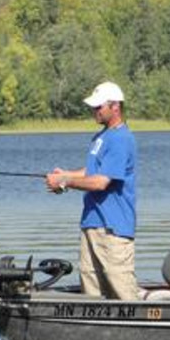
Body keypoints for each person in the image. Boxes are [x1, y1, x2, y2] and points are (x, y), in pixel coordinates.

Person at [45, 81, 139, 301]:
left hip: (112, 229)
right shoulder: (101, 137)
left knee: (123, 293)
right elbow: (92, 171)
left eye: (99, 107)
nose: (94, 111)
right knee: (92, 294)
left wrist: (65, 181)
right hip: (91, 224)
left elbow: (100, 182)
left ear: (115, 106)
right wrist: (65, 175)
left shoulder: (121, 138)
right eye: (94, 107)